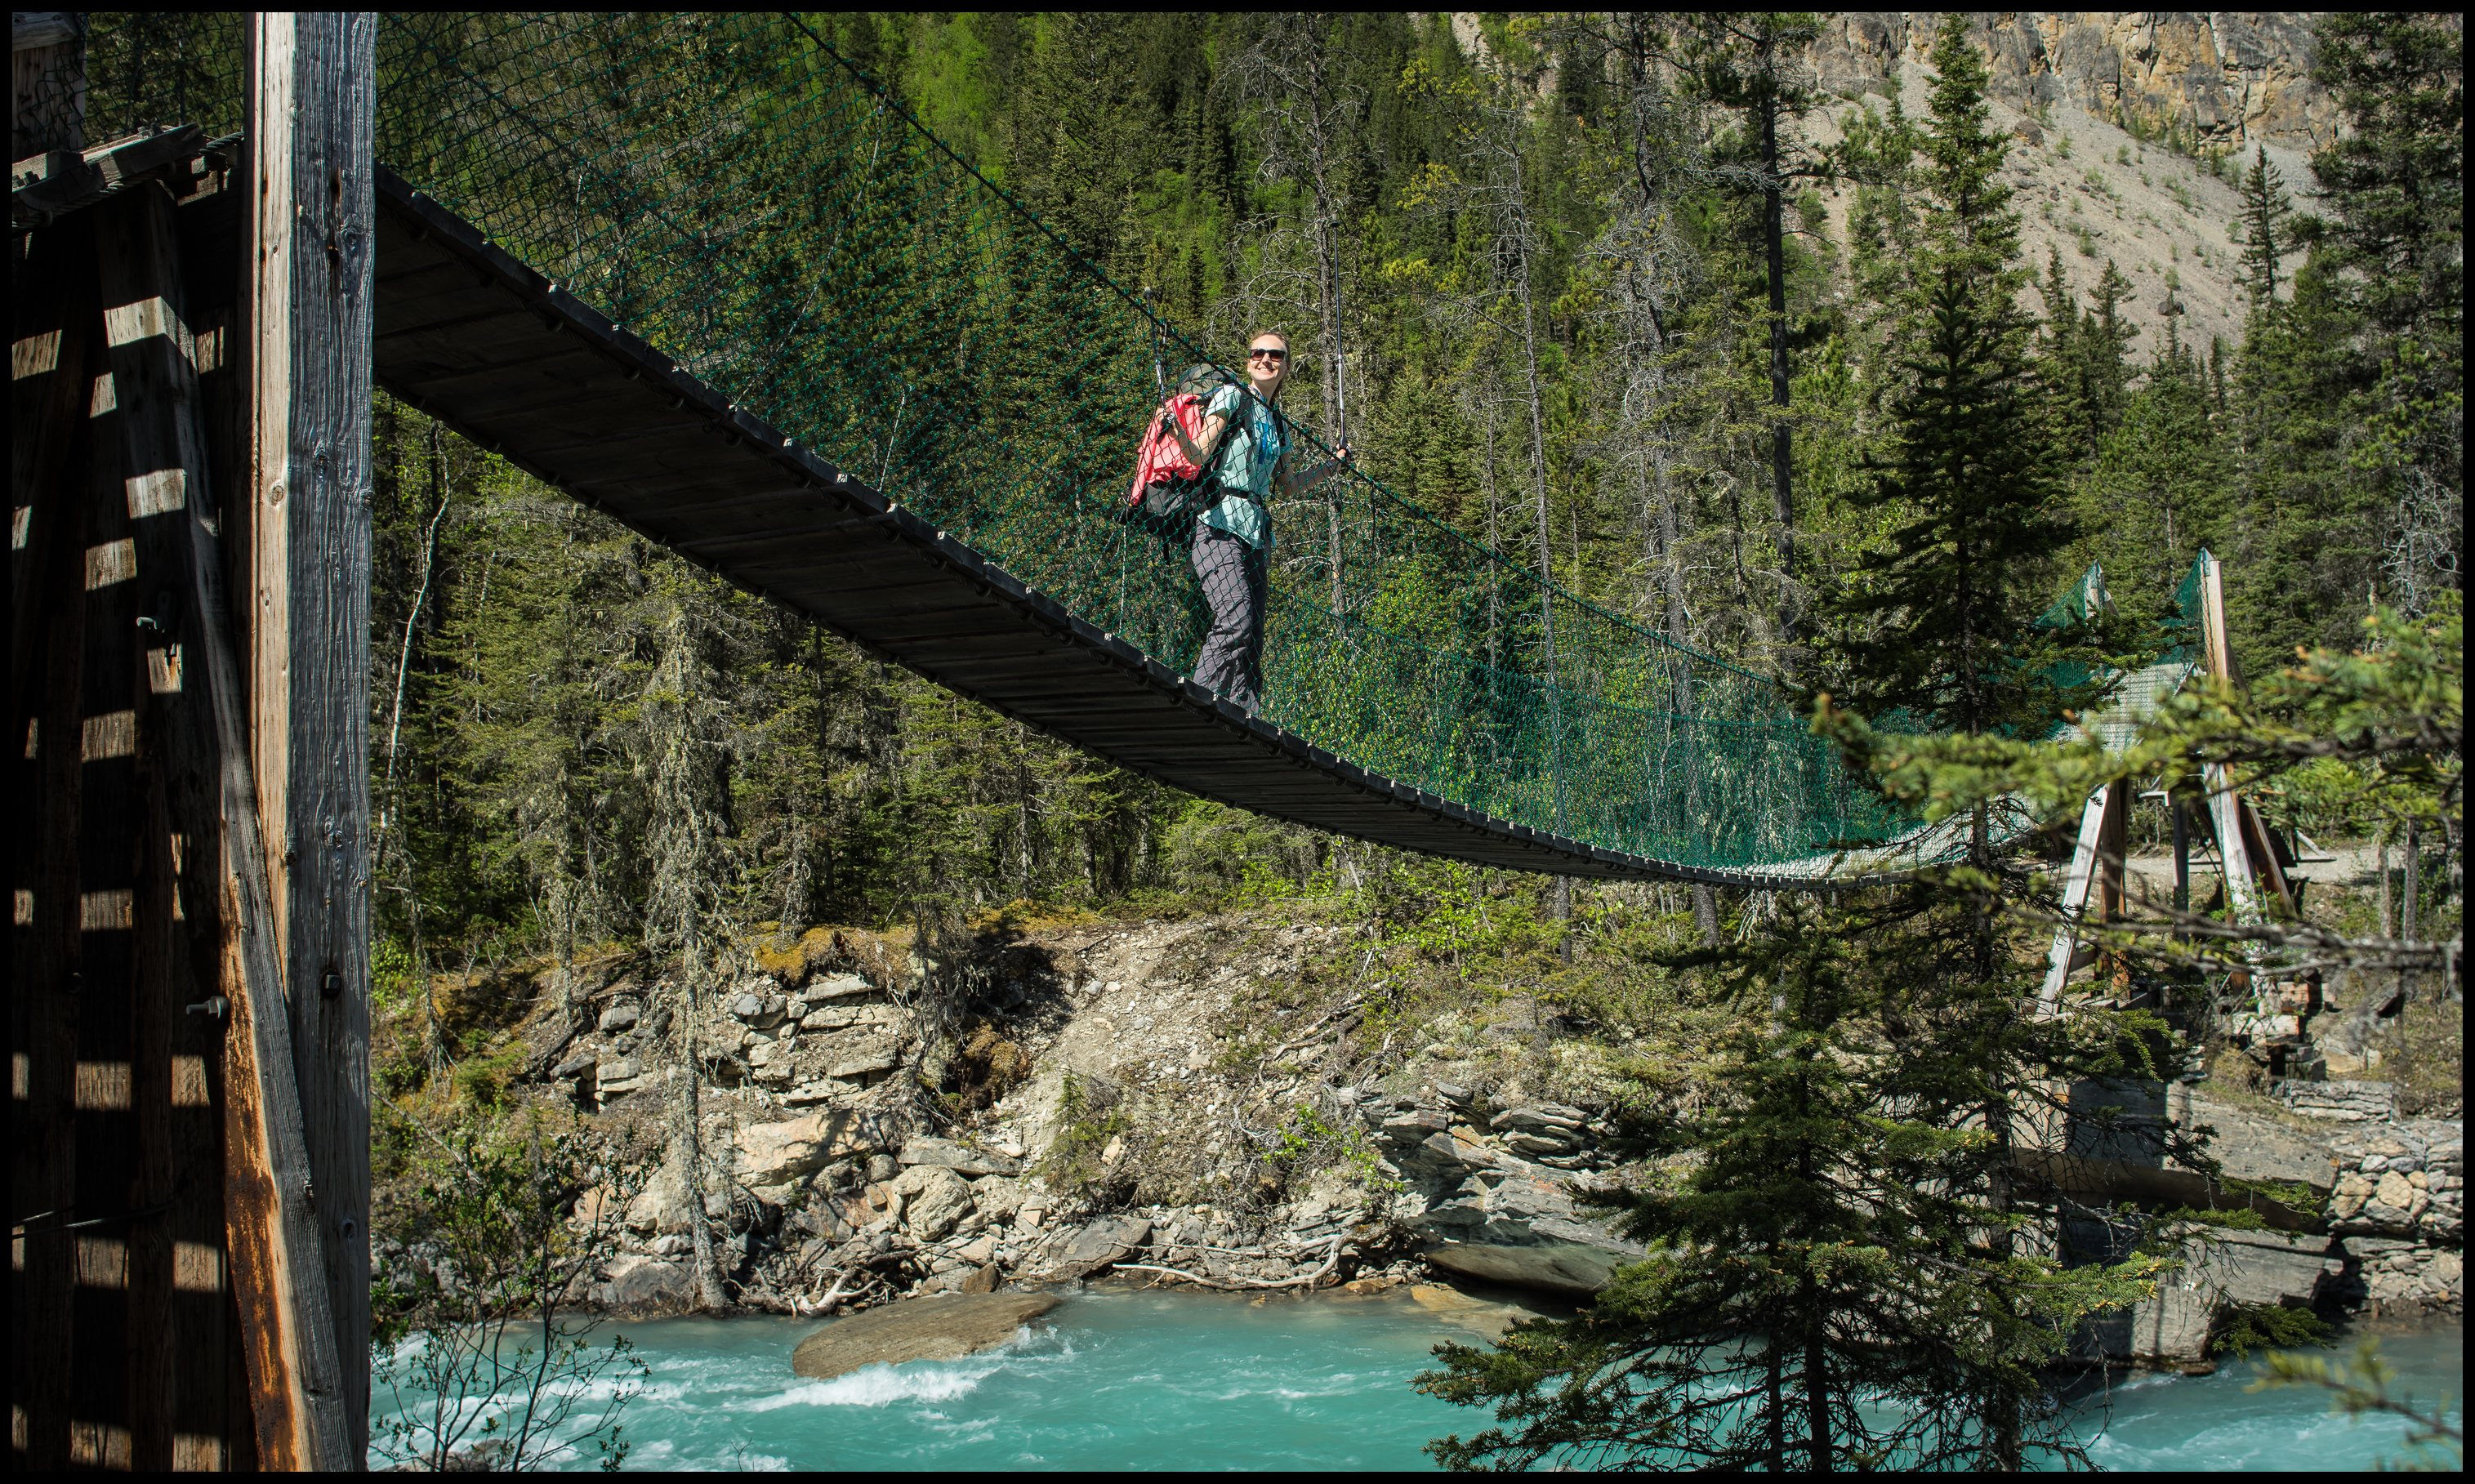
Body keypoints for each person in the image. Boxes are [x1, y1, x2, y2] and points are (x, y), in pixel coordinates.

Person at [1162, 331, 1352, 714]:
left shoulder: (1278, 423)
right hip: (1217, 525)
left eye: (1275, 355)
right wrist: (1179, 431)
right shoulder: (1232, 396)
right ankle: (1198, 703)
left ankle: (1245, 714)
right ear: (1249, 359)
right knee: (1236, 620)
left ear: (1286, 366)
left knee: (1252, 638)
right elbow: (1199, 454)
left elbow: (1287, 486)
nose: (1265, 359)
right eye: (1258, 353)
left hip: (1256, 534)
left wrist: (1332, 466)